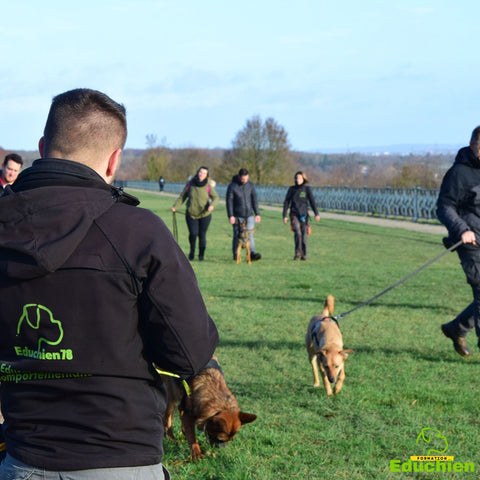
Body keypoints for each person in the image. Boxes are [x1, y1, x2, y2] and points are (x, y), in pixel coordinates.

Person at [0, 88, 218, 479]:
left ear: (42, 146)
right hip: (120, 456)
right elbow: (188, 354)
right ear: (114, 159)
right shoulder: (139, 232)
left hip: (23, 460)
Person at [437, 125, 480, 357]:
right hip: (470, 240)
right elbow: (444, 206)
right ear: (474, 145)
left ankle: (458, 328)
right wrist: (462, 228)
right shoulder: (458, 173)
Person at [172, 166, 219, 261]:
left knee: (202, 235)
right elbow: (183, 196)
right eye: (201, 172)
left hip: (205, 214)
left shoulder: (208, 185)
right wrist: (175, 206)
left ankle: (201, 255)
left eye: (205, 173)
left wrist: (212, 206)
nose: (202, 174)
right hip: (191, 214)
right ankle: (192, 252)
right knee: (193, 234)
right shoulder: (191, 184)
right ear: (198, 172)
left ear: (207, 175)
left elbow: (216, 197)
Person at [282, 171, 320, 260]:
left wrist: (316, 213)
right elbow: (287, 202)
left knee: (304, 235)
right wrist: (284, 215)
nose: (297, 180)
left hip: (304, 215)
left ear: (303, 179)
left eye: (299, 178)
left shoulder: (307, 189)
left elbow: (312, 202)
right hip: (294, 214)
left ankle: (304, 254)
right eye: (296, 178)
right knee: (297, 233)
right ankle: (297, 253)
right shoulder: (292, 189)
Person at [226, 168, 262, 261]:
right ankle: (236, 253)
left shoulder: (250, 186)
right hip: (237, 215)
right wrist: (231, 215)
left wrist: (257, 213)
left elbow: (254, 200)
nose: (244, 180)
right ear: (239, 177)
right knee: (237, 234)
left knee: (249, 234)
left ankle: (252, 253)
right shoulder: (232, 186)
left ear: (248, 177)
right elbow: (229, 202)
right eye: (242, 179)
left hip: (249, 215)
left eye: (246, 179)